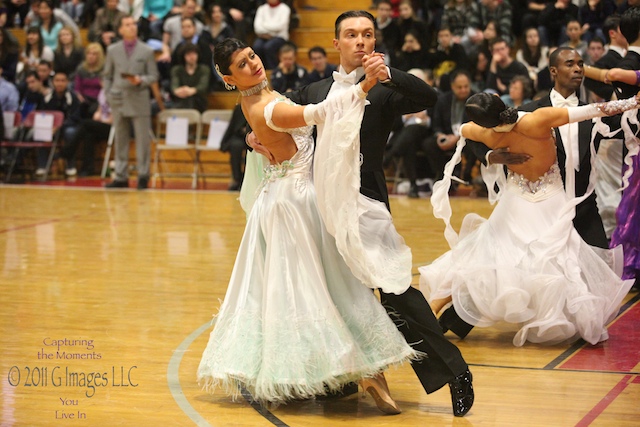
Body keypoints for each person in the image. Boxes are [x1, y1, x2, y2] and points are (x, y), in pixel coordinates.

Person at [197, 37, 417, 414]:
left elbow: (269, 130)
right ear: (229, 78)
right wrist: (365, 84)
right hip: (296, 203)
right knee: (318, 287)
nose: (253, 64)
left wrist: (252, 138)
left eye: (251, 56)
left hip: (286, 195)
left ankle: (360, 373)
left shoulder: (254, 97)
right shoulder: (267, 105)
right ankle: (360, 372)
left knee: (313, 286)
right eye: (242, 64)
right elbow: (322, 113)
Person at [282, 10, 474, 417]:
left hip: (365, 202)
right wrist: (251, 137)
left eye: (367, 34)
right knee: (339, 295)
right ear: (336, 43)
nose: (360, 41)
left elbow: (429, 97)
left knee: (394, 289)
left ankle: (456, 371)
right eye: (351, 35)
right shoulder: (315, 89)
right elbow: (277, 119)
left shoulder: (385, 90)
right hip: (321, 205)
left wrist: (388, 73)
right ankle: (345, 377)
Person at [420, 92, 636, 346]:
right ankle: (569, 318)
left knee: (484, 254)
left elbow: (466, 130)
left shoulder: (487, 135)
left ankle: (430, 312)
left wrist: (493, 155)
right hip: (549, 200)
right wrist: (633, 102)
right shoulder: (538, 120)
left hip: (516, 200)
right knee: (555, 258)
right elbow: (594, 110)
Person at [103, 14, 158, 190]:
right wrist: (109, 94)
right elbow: (107, 76)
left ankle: (143, 176)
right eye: (127, 24)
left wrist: (140, 80)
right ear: (120, 29)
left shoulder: (147, 50)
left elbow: (154, 76)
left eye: (133, 24)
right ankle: (121, 176)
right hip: (118, 98)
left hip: (139, 98)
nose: (132, 27)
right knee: (120, 139)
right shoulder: (112, 50)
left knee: (142, 140)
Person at [170, 43, 209, 112]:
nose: (192, 57)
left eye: (194, 54)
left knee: (192, 100)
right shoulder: (177, 70)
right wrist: (182, 91)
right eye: (188, 54)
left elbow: (203, 86)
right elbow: (174, 86)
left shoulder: (204, 69)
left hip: (198, 100)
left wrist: (191, 90)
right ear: (183, 56)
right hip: (181, 99)